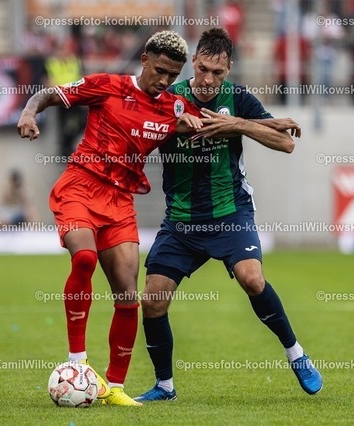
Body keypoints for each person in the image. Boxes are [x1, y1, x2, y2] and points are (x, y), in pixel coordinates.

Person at [17, 30, 213, 407]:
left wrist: (255, 127)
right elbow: (48, 95)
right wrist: (28, 113)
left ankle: (116, 388)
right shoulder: (107, 86)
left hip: (120, 201)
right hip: (81, 186)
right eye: (159, 71)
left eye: (173, 75)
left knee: (127, 295)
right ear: (144, 59)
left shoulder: (173, 107)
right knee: (84, 258)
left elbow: (200, 123)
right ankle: (78, 363)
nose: (164, 80)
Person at [135, 28, 322, 402]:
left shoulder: (238, 99)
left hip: (230, 213)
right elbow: (138, 131)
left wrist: (236, 124)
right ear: (193, 62)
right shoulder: (169, 97)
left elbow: (286, 142)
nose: (208, 80)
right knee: (153, 300)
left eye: (217, 73)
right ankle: (165, 386)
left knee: (252, 279)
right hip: (182, 220)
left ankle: (296, 354)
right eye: (203, 69)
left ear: (229, 69)